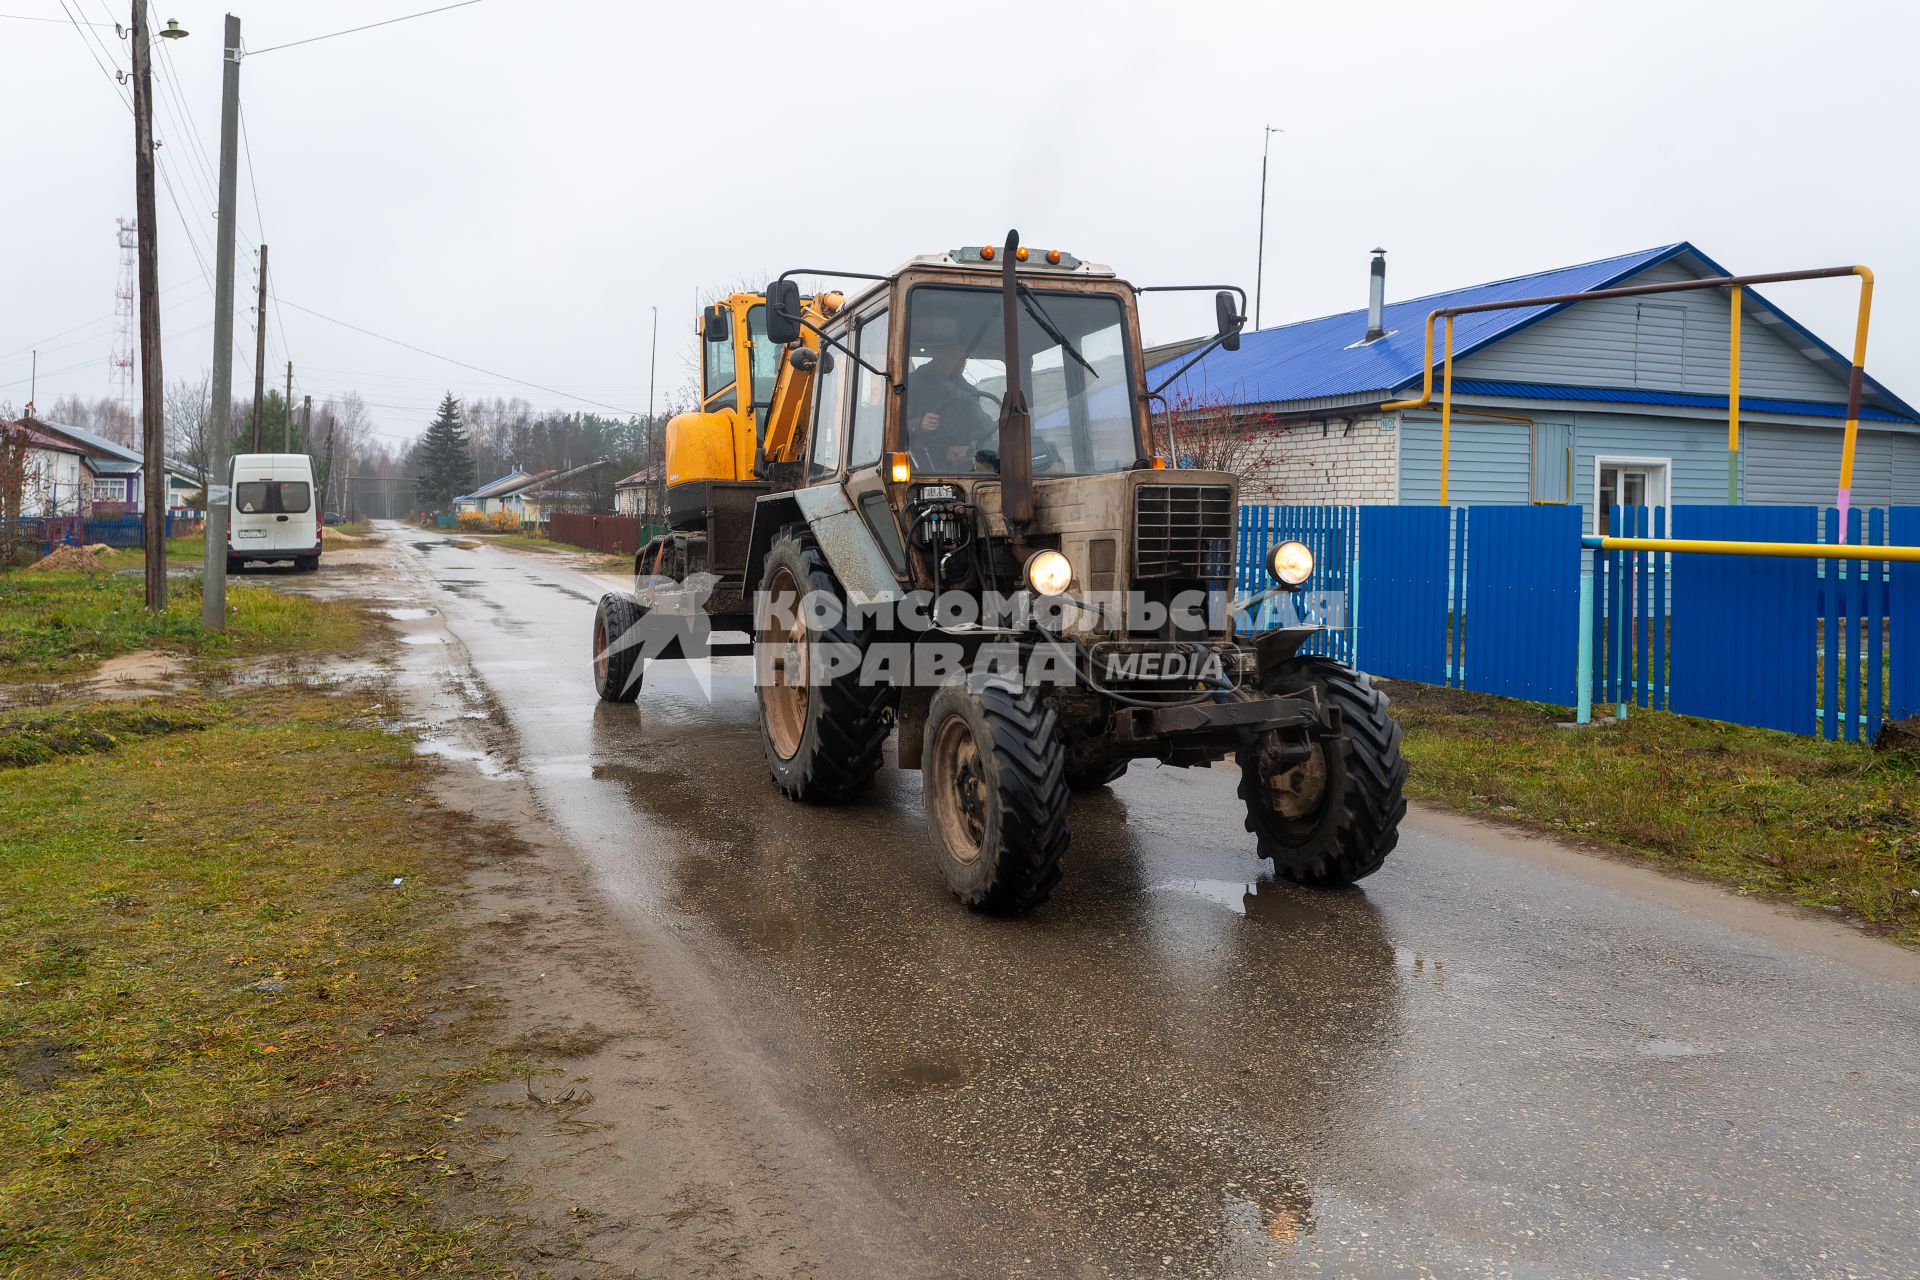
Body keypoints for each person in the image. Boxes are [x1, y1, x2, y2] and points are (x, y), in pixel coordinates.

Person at [905, 314, 996, 471]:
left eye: (964, 357)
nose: (961, 363)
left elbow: (980, 428)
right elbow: (891, 429)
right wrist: (918, 425)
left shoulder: (968, 391)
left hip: (963, 469)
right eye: (956, 356)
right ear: (939, 354)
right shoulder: (912, 385)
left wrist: (996, 427)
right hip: (919, 471)